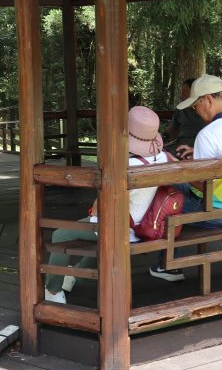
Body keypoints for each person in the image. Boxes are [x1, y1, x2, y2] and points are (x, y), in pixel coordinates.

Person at [44, 106, 167, 303]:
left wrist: (95, 208)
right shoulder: (162, 157)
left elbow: (104, 202)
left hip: (121, 229)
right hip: (146, 224)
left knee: (60, 235)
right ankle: (73, 274)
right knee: (98, 236)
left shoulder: (125, 166)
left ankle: (52, 290)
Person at [151, 74, 222, 282]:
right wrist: (197, 153)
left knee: (162, 190)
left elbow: (201, 184)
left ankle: (165, 263)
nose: (195, 110)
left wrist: (180, 167)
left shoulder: (208, 133)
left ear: (208, 100)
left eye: (196, 105)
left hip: (211, 211)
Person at [165, 77, 205, 151]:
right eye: (182, 92)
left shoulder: (206, 109)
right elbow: (173, 130)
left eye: (185, 91)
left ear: (194, 92)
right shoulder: (180, 109)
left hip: (199, 146)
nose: (182, 95)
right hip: (180, 144)